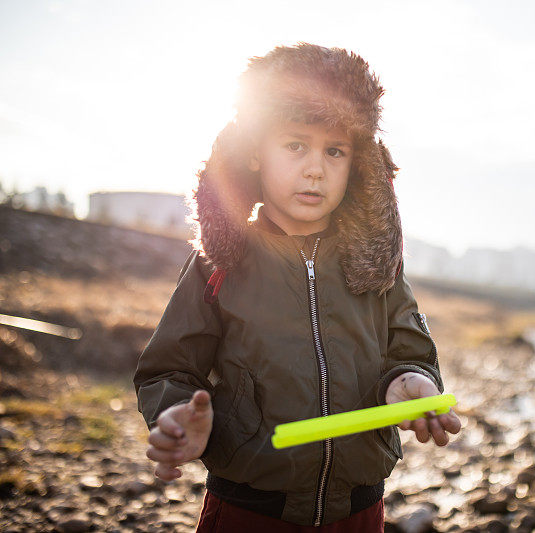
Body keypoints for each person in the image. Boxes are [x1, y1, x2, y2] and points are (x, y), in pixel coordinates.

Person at [132, 42, 461, 531]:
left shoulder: (375, 267)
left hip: (359, 509)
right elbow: (168, 369)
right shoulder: (220, 264)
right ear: (255, 155)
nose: (315, 168)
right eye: (294, 145)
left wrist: (411, 382)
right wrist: (180, 414)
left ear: (357, 166)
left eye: (335, 151)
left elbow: (409, 351)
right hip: (248, 509)